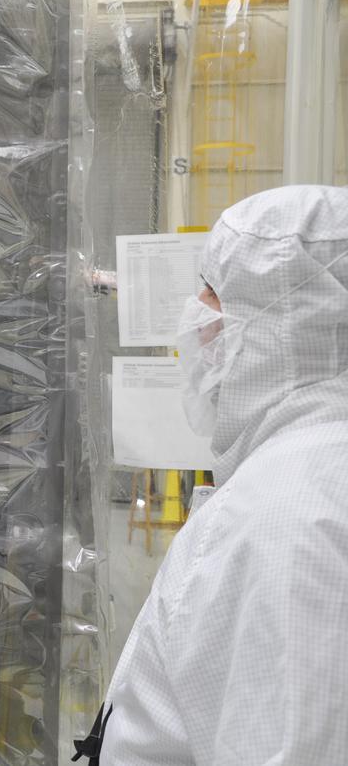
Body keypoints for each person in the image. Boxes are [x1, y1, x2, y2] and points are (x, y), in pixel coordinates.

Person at [98, 185, 348, 764]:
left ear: (280, 320)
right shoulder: (305, 474)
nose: (196, 322)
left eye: (210, 294)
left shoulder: (286, 519)